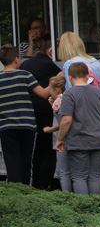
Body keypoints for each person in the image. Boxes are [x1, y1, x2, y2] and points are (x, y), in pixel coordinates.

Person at [0, 44, 50, 185]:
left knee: (12, 162)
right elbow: (44, 94)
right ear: (16, 59)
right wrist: (54, 80)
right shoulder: (25, 75)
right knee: (27, 162)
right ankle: (27, 191)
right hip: (27, 126)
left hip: (6, 127)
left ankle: (15, 193)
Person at [55, 62, 100, 196]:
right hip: (98, 140)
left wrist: (60, 139)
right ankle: (95, 207)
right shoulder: (97, 92)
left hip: (78, 141)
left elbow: (66, 120)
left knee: (79, 177)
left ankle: (83, 209)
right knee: (95, 175)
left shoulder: (69, 94)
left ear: (69, 77)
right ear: (88, 76)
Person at [20, 37, 62, 189]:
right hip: (45, 111)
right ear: (50, 51)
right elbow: (64, 77)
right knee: (48, 151)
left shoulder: (26, 63)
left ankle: (35, 184)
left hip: (29, 111)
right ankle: (45, 185)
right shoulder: (50, 65)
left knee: (36, 150)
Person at [44, 74, 71, 192]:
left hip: (63, 141)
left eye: (50, 89)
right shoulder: (68, 98)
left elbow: (62, 122)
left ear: (56, 89)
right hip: (72, 140)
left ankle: (66, 197)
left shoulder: (60, 101)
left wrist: (49, 129)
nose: (49, 92)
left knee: (63, 172)